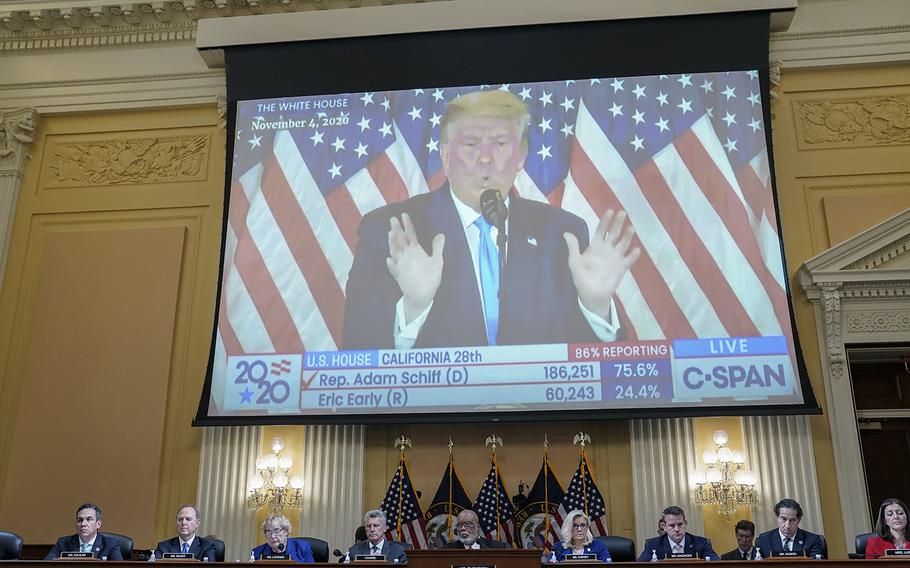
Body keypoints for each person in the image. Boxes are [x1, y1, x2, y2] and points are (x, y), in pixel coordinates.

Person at [343, 89, 639, 349]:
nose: (485, 158)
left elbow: (598, 374)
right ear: (446, 157)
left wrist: (596, 307)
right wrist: (413, 308)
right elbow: (357, 355)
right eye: (470, 144)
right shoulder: (389, 231)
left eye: (499, 143)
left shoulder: (562, 233)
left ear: (521, 157)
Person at [637, 506, 719, 561]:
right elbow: (639, 567)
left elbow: (718, 564)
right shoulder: (653, 545)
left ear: (685, 524)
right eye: (672, 526)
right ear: (664, 526)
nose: (677, 529)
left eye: (680, 524)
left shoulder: (702, 543)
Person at [45, 503, 123, 560]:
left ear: (98, 524)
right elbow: (46, 565)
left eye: (89, 519)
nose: (83, 524)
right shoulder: (63, 543)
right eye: (80, 520)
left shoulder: (110, 544)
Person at [754, 498, 826, 558]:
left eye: (792, 520)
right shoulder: (764, 540)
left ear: (799, 520)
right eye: (783, 519)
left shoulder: (812, 540)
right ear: (777, 518)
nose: (787, 525)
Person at [154, 505, 218, 561]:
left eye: (188, 519)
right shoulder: (163, 547)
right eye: (180, 519)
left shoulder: (207, 546)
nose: (183, 523)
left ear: (197, 523)